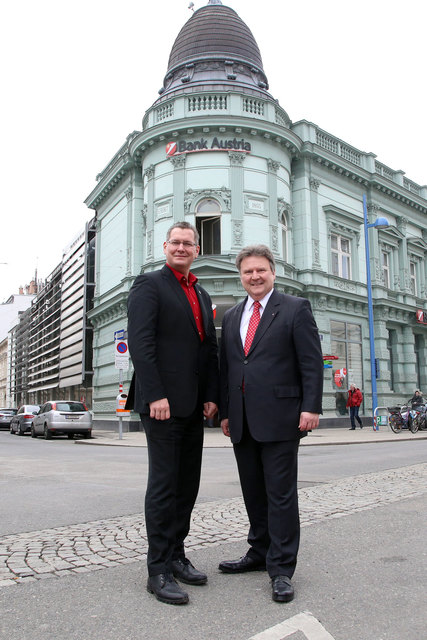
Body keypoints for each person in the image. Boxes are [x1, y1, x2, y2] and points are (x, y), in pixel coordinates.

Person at [218, 245, 323, 603]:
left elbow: (311, 362)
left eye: (261, 270)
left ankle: (281, 569)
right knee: (253, 492)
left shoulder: (294, 308)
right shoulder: (232, 316)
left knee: (280, 496)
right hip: (243, 420)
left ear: (273, 272)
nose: (255, 277)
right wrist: (227, 412)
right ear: (241, 276)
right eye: (248, 272)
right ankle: (258, 552)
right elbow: (229, 367)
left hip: (282, 417)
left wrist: (311, 407)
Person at [126, 221, 219, 605]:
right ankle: (158, 568)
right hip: (162, 405)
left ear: (196, 249)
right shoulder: (149, 285)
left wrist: (212, 396)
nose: (181, 248)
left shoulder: (200, 291)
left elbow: (207, 349)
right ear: (165, 246)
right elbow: (140, 343)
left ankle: (178, 555)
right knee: (164, 486)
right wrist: (156, 395)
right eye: (175, 242)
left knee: (187, 485)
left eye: (188, 243)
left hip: (193, 405)